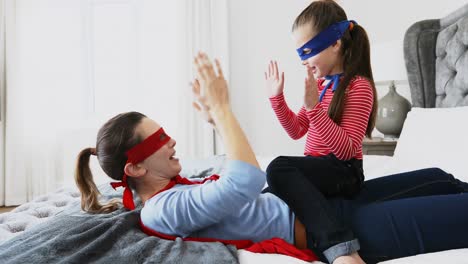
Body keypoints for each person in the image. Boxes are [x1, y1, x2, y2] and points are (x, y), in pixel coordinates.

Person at [75, 52, 468, 264]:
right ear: (136, 168)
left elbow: (232, 177)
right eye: (157, 139)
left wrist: (216, 118)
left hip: (322, 204)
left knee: (440, 176)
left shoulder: (176, 186)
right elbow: (244, 180)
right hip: (324, 229)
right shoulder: (159, 211)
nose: (171, 141)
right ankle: (343, 254)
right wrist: (224, 108)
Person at [263, 0, 376, 262]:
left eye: (308, 51)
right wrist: (277, 99)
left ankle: (342, 248)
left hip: (344, 171)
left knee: (278, 168)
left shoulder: (358, 87)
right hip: (320, 168)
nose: (303, 61)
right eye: (299, 53)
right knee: (270, 193)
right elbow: (297, 130)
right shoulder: (322, 86)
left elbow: (347, 150)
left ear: (335, 43)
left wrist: (314, 108)